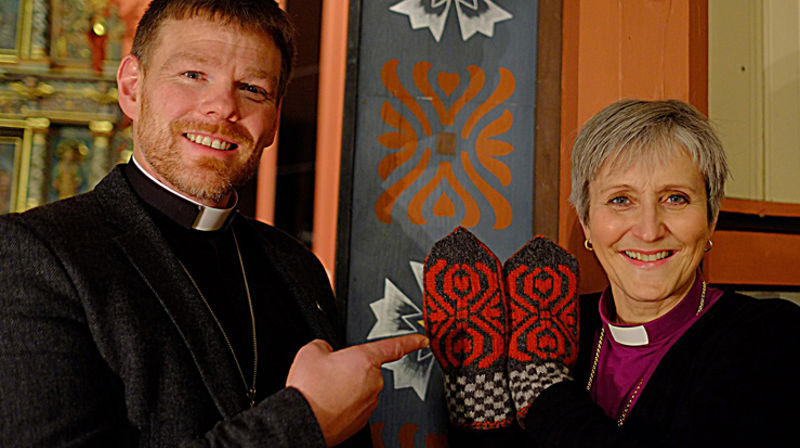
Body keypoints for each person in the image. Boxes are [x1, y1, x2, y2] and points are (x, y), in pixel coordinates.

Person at [0, 1, 427, 446]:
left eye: (253, 89)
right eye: (193, 75)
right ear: (132, 87)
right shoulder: (35, 257)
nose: (223, 107)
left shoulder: (297, 268)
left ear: (274, 120)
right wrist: (305, 420)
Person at [423, 99, 800, 447]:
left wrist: (543, 389)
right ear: (587, 223)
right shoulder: (547, 322)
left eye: (675, 198)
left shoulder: (771, 337)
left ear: (711, 219)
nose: (649, 229)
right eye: (621, 200)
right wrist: (480, 416)